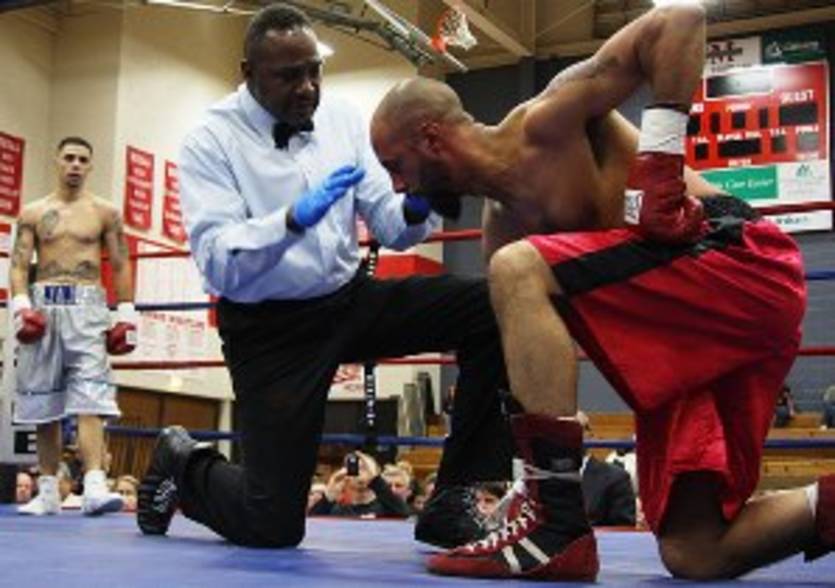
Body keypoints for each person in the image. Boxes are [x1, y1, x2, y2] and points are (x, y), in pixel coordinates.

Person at [370, 2, 831, 581]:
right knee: (695, 550)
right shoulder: (504, 233)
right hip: (684, 344)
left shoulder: (547, 121)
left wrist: (659, 166)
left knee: (516, 268)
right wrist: (531, 475)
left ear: (430, 137)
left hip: (740, 269)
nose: (397, 186)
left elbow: (679, 20)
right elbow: (526, 371)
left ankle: (558, 526)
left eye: (395, 165)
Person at [136, 3, 513, 549]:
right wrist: (289, 221)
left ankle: (453, 500)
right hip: (270, 330)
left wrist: (417, 203)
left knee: (495, 306)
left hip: (347, 299)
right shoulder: (210, 140)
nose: (308, 88)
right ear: (249, 73)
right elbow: (218, 263)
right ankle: (181, 462)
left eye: (314, 71)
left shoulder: (341, 118)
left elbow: (390, 224)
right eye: (289, 76)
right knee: (271, 525)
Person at [11, 136, 136, 517]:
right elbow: (18, 265)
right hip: (44, 306)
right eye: (69, 157)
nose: (76, 165)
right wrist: (21, 307)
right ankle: (48, 491)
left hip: (87, 308)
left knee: (91, 398)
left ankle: (95, 485)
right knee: (43, 403)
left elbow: (120, 263)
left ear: (90, 166)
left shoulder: (104, 212)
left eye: (83, 159)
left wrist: (126, 314)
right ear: (57, 161)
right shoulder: (33, 212)